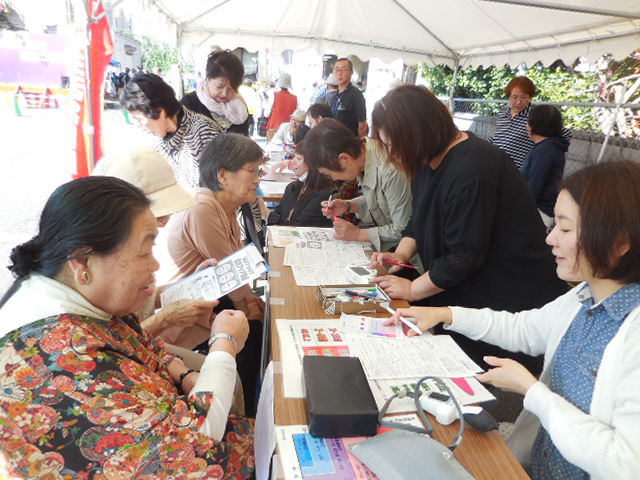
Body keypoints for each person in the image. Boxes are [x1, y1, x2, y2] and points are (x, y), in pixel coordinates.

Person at [387, 160, 640, 480]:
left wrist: (531, 390)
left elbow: (627, 464)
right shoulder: (582, 298)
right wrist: (445, 314)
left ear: (619, 242)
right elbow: (522, 328)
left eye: (564, 228)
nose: (550, 239)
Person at [0, 176, 254, 478]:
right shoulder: (59, 355)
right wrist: (224, 342)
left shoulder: (82, 299)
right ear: (82, 264)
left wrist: (181, 372)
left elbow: (140, 343)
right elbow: (189, 448)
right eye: (144, 252)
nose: (156, 266)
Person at [369, 85, 566, 371]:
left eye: (393, 145)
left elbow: (464, 256)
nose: (391, 155)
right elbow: (418, 219)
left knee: (481, 376)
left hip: (507, 293)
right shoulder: (427, 161)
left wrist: (412, 289)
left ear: (417, 136)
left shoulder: (473, 169)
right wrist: (400, 255)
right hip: (466, 288)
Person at [166, 133, 266, 415]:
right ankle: (243, 416)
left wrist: (252, 302)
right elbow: (232, 279)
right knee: (254, 331)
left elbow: (235, 272)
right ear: (223, 175)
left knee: (259, 319)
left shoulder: (224, 207)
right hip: (186, 316)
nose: (258, 179)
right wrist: (252, 307)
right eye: (253, 171)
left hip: (210, 297)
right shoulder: (203, 209)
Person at [92, 147, 222, 347]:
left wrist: (192, 284)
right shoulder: (102, 259)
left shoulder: (131, 240)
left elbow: (147, 296)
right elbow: (114, 346)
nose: (155, 265)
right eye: (159, 214)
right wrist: (164, 319)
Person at [304, 119, 415, 258]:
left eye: (328, 175)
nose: (333, 179)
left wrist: (358, 234)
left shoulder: (390, 170)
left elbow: (405, 229)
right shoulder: (364, 156)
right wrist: (350, 205)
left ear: (344, 158)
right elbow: (383, 199)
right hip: (387, 252)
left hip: (410, 260)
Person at [121, 73, 223, 189]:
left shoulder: (203, 133)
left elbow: (219, 195)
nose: (139, 126)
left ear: (159, 111)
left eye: (139, 119)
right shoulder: (157, 141)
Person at [260, 126, 333, 228]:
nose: (293, 161)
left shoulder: (321, 195)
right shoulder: (293, 187)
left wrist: (266, 213)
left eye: (298, 158)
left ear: (312, 164)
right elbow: (279, 214)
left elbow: (298, 228)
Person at [181, 50, 250, 136]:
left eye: (231, 89)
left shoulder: (239, 108)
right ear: (208, 76)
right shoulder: (190, 103)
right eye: (219, 86)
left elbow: (244, 142)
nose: (224, 93)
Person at [521, 104, 568, 228]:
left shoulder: (545, 150)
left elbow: (534, 185)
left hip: (538, 212)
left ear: (533, 126)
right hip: (540, 210)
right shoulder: (550, 146)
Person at [330, 58, 367, 138]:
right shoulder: (334, 96)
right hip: (333, 143)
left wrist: (361, 146)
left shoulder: (356, 95)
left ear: (351, 72)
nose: (339, 73)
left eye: (343, 69)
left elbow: (362, 126)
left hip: (349, 144)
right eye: (336, 70)